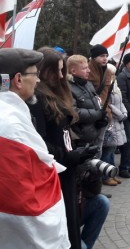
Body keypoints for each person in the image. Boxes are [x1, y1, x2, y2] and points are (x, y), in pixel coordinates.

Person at [0, 48, 71, 249]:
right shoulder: (11, 124)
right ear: (18, 80)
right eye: (35, 74)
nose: (38, 81)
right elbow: (29, 187)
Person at [27, 48, 92, 249]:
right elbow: (39, 142)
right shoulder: (36, 100)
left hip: (67, 169)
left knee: (73, 222)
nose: (62, 76)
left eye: (63, 70)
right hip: (53, 172)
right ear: (43, 70)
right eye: (57, 71)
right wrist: (69, 156)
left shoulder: (56, 94)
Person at [101, 64, 127, 186]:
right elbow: (108, 104)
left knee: (111, 150)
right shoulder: (105, 87)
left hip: (118, 121)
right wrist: (120, 114)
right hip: (112, 121)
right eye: (110, 73)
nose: (112, 76)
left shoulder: (115, 86)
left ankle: (112, 174)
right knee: (107, 151)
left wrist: (124, 112)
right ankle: (106, 176)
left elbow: (120, 102)